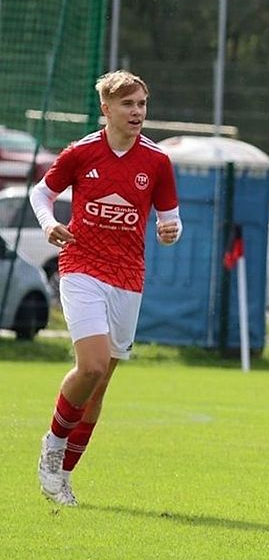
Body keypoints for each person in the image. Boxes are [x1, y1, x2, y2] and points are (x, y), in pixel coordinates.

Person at [32, 70, 181, 506]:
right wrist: (49, 223)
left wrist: (171, 229)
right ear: (106, 109)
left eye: (142, 105)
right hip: (81, 265)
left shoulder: (156, 161)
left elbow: (169, 216)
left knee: (100, 386)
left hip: (128, 276)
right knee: (92, 365)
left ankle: (62, 477)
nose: (137, 113)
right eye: (128, 105)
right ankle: (52, 446)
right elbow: (41, 194)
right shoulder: (82, 152)